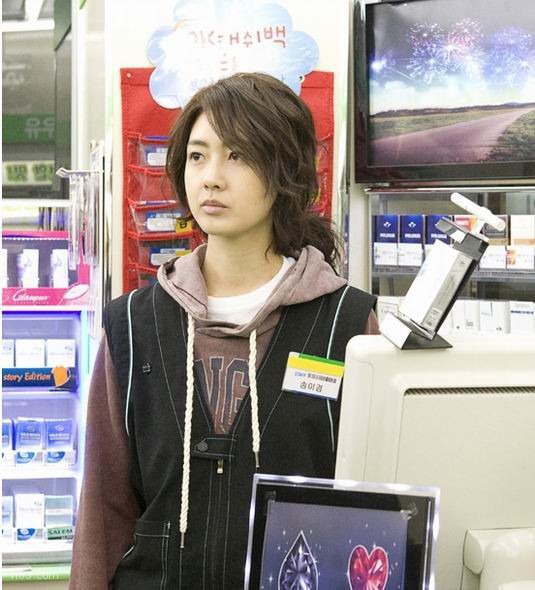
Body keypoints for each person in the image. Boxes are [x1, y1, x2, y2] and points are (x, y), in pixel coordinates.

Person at [69, 72, 378, 590]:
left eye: (238, 155)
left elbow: (371, 506)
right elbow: (104, 507)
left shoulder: (347, 324)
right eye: (197, 155)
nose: (211, 177)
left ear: (285, 170)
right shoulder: (132, 324)